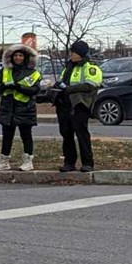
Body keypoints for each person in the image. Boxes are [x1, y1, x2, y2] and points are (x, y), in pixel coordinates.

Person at [47, 39, 102, 172]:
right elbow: (62, 82)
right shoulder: (68, 67)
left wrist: (69, 89)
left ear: (81, 53)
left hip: (79, 105)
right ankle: (69, 162)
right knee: (66, 134)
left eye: (74, 52)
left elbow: (90, 85)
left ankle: (87, 163)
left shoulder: (91, 67)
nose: (71, 54)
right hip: (64, 105)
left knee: (82, 134)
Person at [0, 44, 41, 171]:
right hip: (8, 108)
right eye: (15, 55)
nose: (18, 58)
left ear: (26, 57)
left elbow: (35, 90)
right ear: (11, 58)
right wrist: (4, 87)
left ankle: (28, 161)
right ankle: (4, 161)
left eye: (20, 55)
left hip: (25, 108)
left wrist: (19, 87)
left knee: (26, 136)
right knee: (7, 136)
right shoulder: (5, 71)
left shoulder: (33, 73)